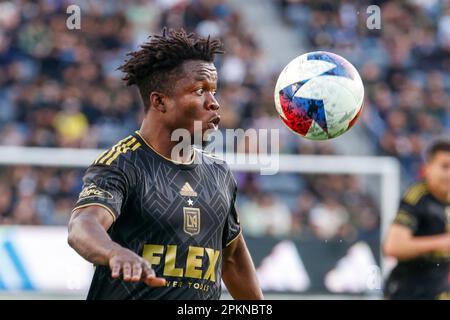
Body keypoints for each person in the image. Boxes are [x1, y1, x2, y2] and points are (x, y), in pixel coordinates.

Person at [68, 28, 263, 300]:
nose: (214, 103)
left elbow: (232, 258)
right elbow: (82, 225)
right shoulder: (123, 164)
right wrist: (114, 252)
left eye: (214, 91)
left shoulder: (219, 173)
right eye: (200, 91)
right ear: (159, 101)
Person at [383, 139, 450, 299]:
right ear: (427, 168)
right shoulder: (417, 199)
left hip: (437, 290)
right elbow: (393, 246)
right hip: (408, 292)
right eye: (444, 167)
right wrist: (442, 242)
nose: (449, 174)